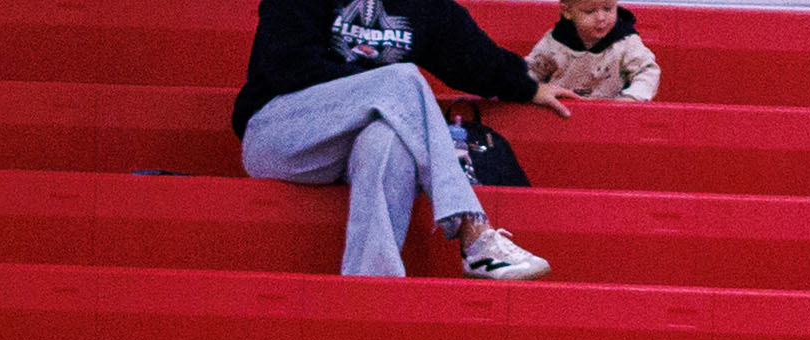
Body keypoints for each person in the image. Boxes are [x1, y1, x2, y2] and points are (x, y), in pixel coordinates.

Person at [234, 0, 567, 281]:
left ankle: (369, 290)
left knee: (387, 140)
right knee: (402, 81)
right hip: (278, 133)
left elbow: (472, 57)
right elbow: (288, 67)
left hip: (344, 148)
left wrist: (530, 88)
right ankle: (473, 231)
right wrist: (380, 87)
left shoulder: (420, 4)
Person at [526, 0, 660, 99]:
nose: (601, 18)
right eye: (590, 11)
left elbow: (647, 70)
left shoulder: (626, 42)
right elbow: (531, 71)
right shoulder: (553, 43)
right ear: (567, 11)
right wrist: (534, 91)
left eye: (608, 8)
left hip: (612, 116)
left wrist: (632, 97)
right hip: (561, 114)